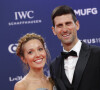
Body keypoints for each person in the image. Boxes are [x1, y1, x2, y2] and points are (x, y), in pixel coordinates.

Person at [50, 5, 100, 90]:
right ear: (54, 30)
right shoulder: (54, 66)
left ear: (77, 25)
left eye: (68, 23)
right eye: (59, 25)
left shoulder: (97, 54)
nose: (64, 29)